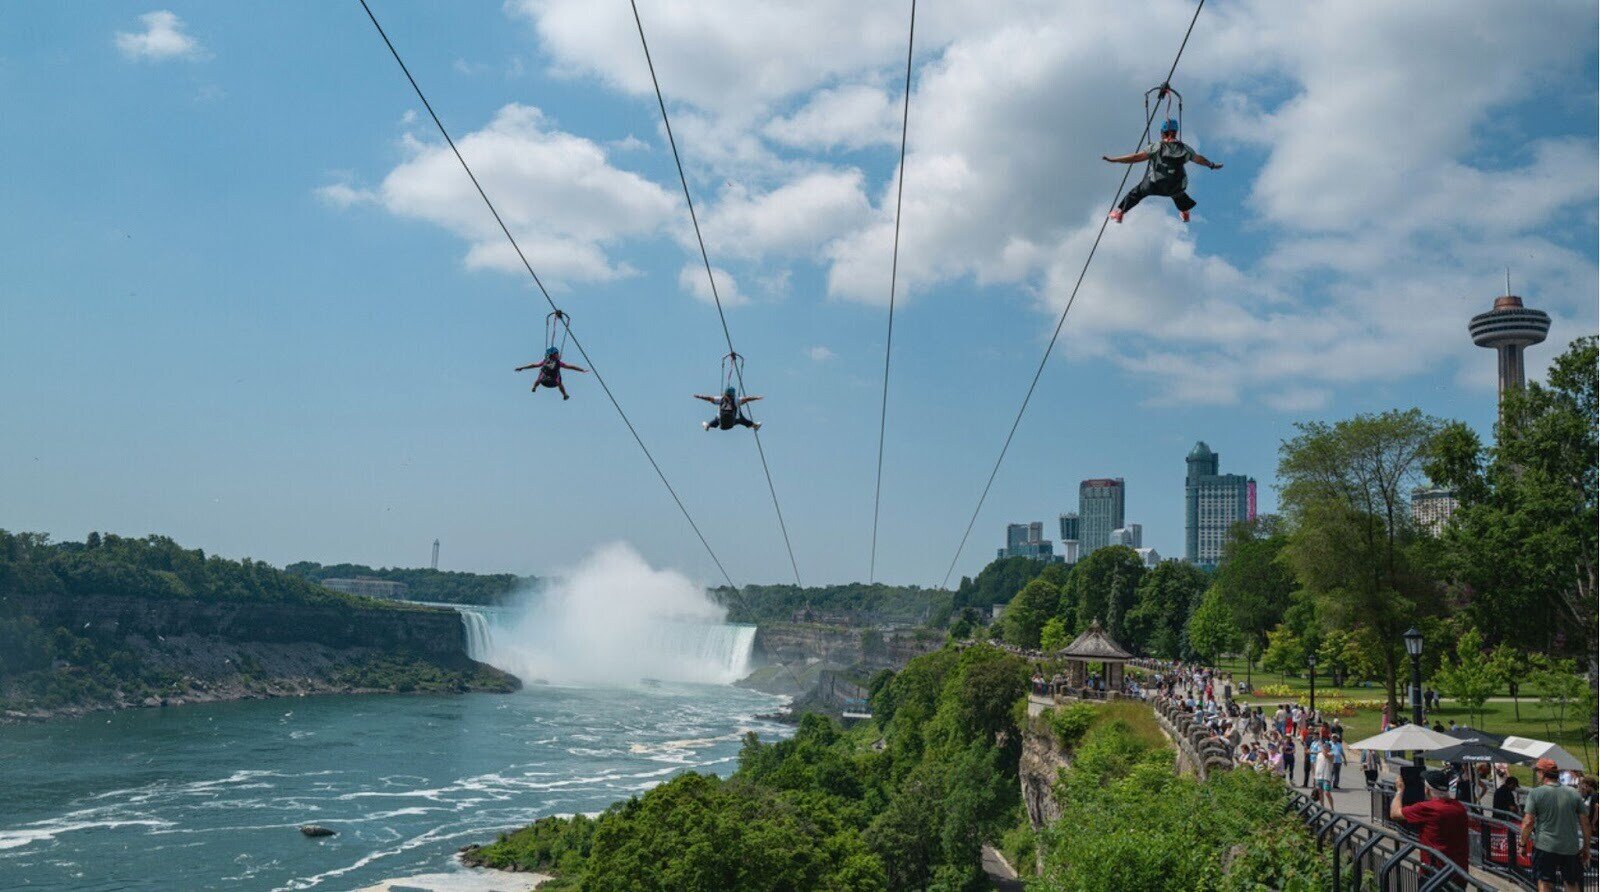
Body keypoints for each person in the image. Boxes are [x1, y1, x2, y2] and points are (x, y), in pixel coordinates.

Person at [1103, 118, 1222, 223]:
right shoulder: (1185, 149)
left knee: (1137, 192)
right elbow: (1199, 159)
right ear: (1176, 132)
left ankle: (1119, 213)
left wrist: (1114, 160)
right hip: (1175, 186)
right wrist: (1211, 165)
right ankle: (1185, 213)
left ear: (1162, 132)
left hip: (1154, 184)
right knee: (1179, 194)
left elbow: (1135, 158)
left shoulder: (1157, 146)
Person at [1522, 757, 1593, 892]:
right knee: (1571, 883)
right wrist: (1586, 848)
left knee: (1545, 882)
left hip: (1545, 846)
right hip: (1570, 847)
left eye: (1538, 771)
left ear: (1543, 773)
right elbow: (1585, 823)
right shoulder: (1573, 793)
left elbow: (1528, 822)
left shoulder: (1535, 793)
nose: (1537, 774)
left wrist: (1522, 844)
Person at [1390, 769, 1471, 880]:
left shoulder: (1427, 808)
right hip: (1458, 872)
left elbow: (1395, 813)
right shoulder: (1460, 808)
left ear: (1427, 790)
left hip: (1434, 873)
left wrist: (1399, 791)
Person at [516, 348, 587, 399]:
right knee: (558, 381)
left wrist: (522, 368)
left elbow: (534, 365)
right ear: (554, 355)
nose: (558, 355)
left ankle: (534, 387)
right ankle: (564, 394)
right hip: (552, 382)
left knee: (541, 375)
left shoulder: (545, 361)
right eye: (557, 354)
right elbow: (570, 367)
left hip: (545, 381)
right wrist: (581, 370)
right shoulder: (558, 362)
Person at [694, 387, 762, 431]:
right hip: (732, 422)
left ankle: (708, 425)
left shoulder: (720, 399)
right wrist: (756, 398)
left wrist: (700, 396)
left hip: (721, 422)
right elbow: (747, 399)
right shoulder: (736, 399)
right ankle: (754, 425)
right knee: (741, 418)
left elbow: (709, 398)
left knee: (717, 418)